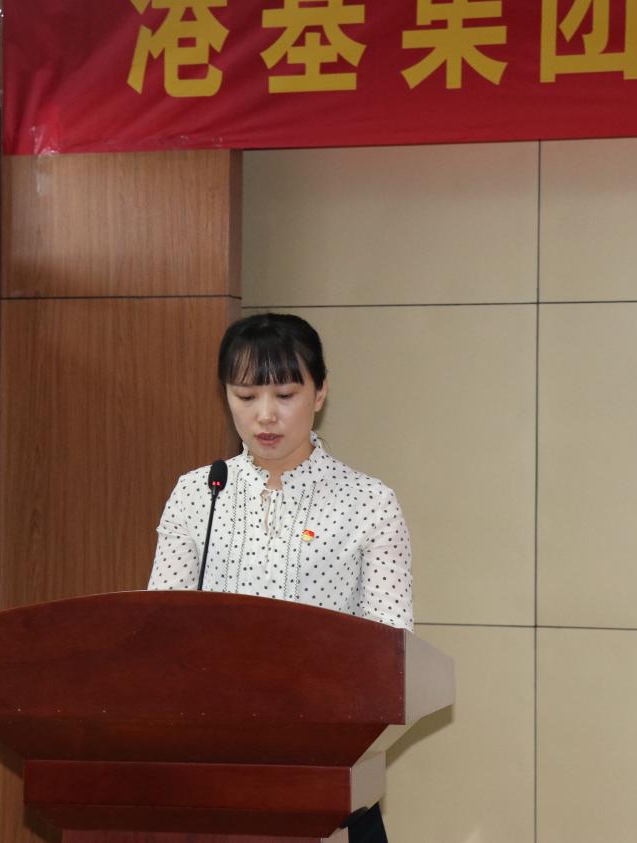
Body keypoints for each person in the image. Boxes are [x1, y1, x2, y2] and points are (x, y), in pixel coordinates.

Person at [148, 313, 412, 841]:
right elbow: (158, 635)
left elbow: (393, 653)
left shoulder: (368, 502)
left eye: (285, 395)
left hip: (326, 776)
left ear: (320, 392)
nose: (265, 415)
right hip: (210, 771)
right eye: (245, 396)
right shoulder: (198, 493)